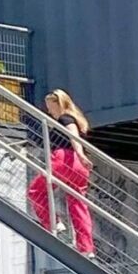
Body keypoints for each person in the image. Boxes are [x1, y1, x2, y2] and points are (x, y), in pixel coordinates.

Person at [25, 91, 97, 256]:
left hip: (64, 158)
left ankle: (53, 223)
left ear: (60, 104)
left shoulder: (65, 118)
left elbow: (73, 136)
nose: (50, 112)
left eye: (51, 107)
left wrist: (80, 153)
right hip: (79, 167)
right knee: (78, 206)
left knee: (35, 191)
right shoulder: (78, 120)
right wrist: (81, 157)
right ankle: (86, 248)